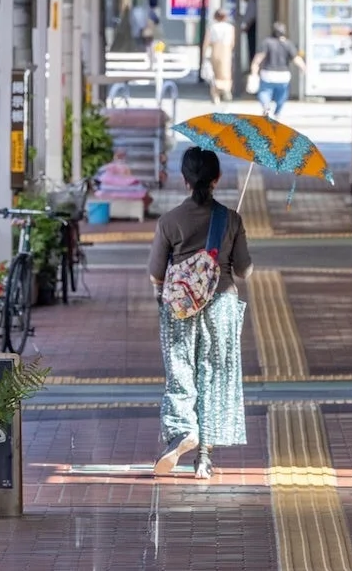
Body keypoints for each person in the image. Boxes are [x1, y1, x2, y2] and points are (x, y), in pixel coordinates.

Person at [148, 147, 252, 479]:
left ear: (185, 179)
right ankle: (204, 457)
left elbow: (155, 272)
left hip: (179, 308)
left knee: (181, 370)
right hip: (221, 304)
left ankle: (182, 431)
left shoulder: (169, 221)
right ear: (217, 179)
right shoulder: (231, 218)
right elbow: (244, 271)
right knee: (215, 374)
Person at [248, 22, 305, 118]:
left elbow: (258, 59)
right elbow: (296, 59)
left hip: (268, 73)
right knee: (282, 95)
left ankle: (266, 106)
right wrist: (304, 68)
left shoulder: (267, 42)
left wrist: (254, 71)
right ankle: (277, 112)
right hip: (283, 75)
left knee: (264, 92)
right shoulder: (288, 44)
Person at [203, 9, 236, 106]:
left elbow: (206, 42)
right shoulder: (230, 27)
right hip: (226, 51)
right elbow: (232, 42)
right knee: (226, 73)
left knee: (215, 74)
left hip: (215, 49)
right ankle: (226, 91)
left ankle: (216, 95)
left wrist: (204, 55)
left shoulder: (212, 27)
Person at [238, 0, 257, 64]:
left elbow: (252, 16)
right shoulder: (252, 1)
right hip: (251, 26)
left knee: (252, 46)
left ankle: (252, 62)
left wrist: (247, 27)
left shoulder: (252, 2)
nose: (243, 0)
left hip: (252, 26)